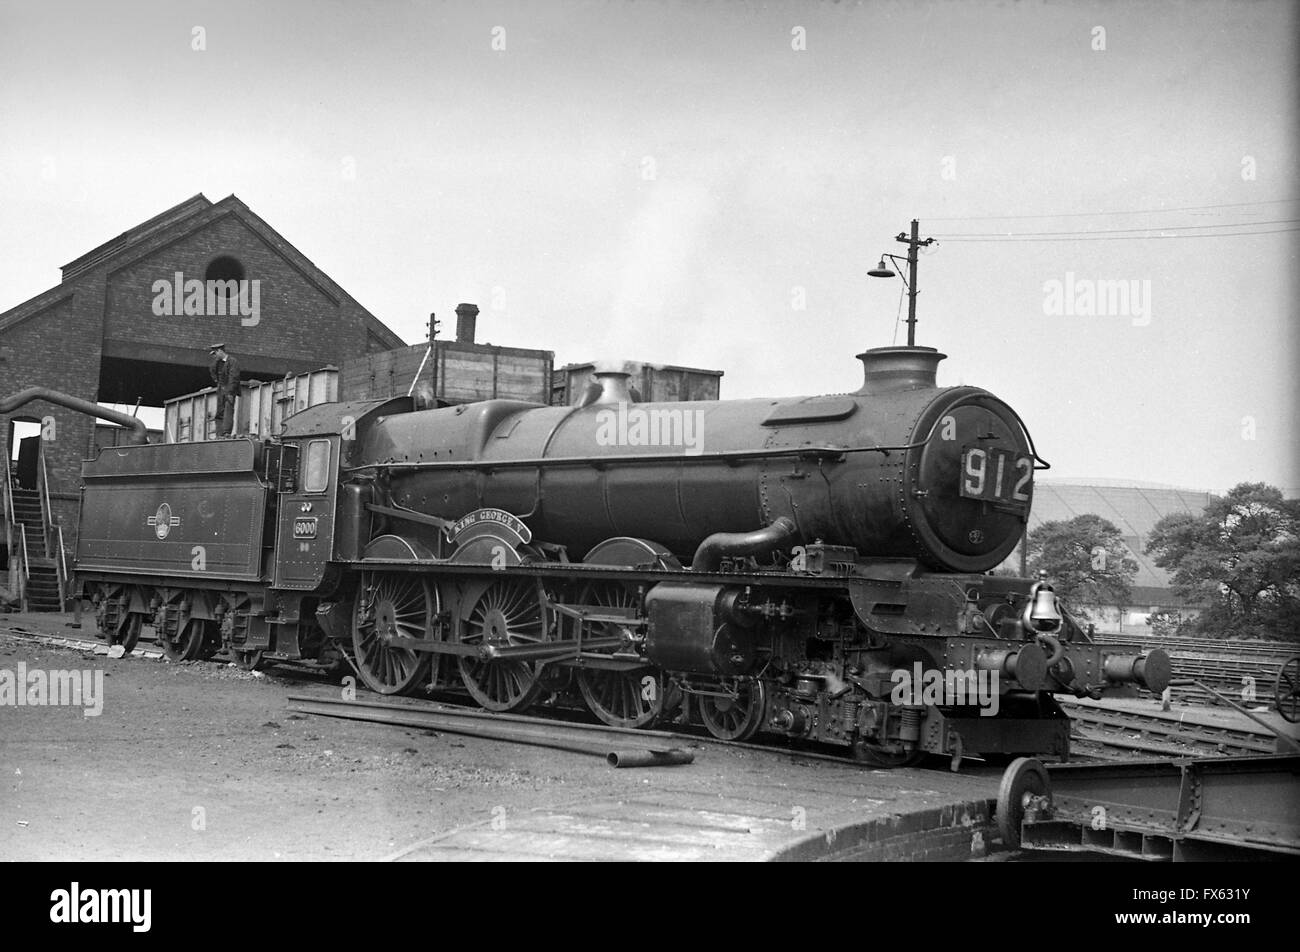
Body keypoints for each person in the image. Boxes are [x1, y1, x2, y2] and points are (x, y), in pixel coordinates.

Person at [208, 343, 240, 437]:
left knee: (228, 411)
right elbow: (212, 370)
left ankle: (226, 432)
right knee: (219, 412)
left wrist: (230, 392)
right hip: (221, 389)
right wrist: (217, 381)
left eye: (216, 353)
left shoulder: (233, 361)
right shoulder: (217, 362)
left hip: (229, 390)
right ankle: (219, 433)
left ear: (220, 351)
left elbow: (234, 377)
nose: (215, 355)